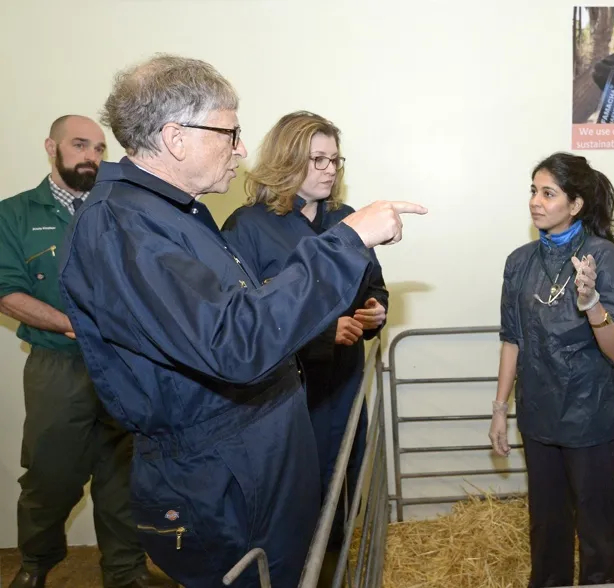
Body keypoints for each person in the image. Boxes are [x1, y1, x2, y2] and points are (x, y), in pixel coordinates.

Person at [56, 54, 426, 588]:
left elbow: (241, 314)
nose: (243, 149)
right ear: (176, 137)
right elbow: (235, 340)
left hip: (252, 448)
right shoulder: (123, 227)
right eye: (230, 132)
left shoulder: (171, 213)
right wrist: (348, 242)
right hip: (219, 470)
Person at [0, 115, 173, 588]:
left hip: (125, 363)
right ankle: (36, 564)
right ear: (50, 148)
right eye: (80, 145)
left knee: (123, 474)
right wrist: (77, 326)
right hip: (59, 366)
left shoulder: (119, 210)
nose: (91, 157)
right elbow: (6, 290)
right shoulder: (14, 214)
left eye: (99, 149)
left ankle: (125, 569)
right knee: (50, 475)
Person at [220, 111, 388, 584]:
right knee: (292, 503)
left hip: (344, 387)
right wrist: (320, 335)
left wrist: (375, 311)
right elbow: (242, 318)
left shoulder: (349, 221)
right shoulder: (247, 227)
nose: (329, 169)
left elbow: (374, 286)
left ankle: (331, 572)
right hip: (284, 397)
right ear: (287, 160)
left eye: (335, 159)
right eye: (317, 159)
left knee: (340, 492)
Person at [489, 152, 614, 587]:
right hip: (539, 415)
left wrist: (592, 304)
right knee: (547, 526)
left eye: (548, 193)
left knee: (595, 530)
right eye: (533, 192)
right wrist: (500, 408)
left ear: (575, 205)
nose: (536, 202)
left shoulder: (604, 258)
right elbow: (511, 337)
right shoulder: (519, 261)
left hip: (592, 417)